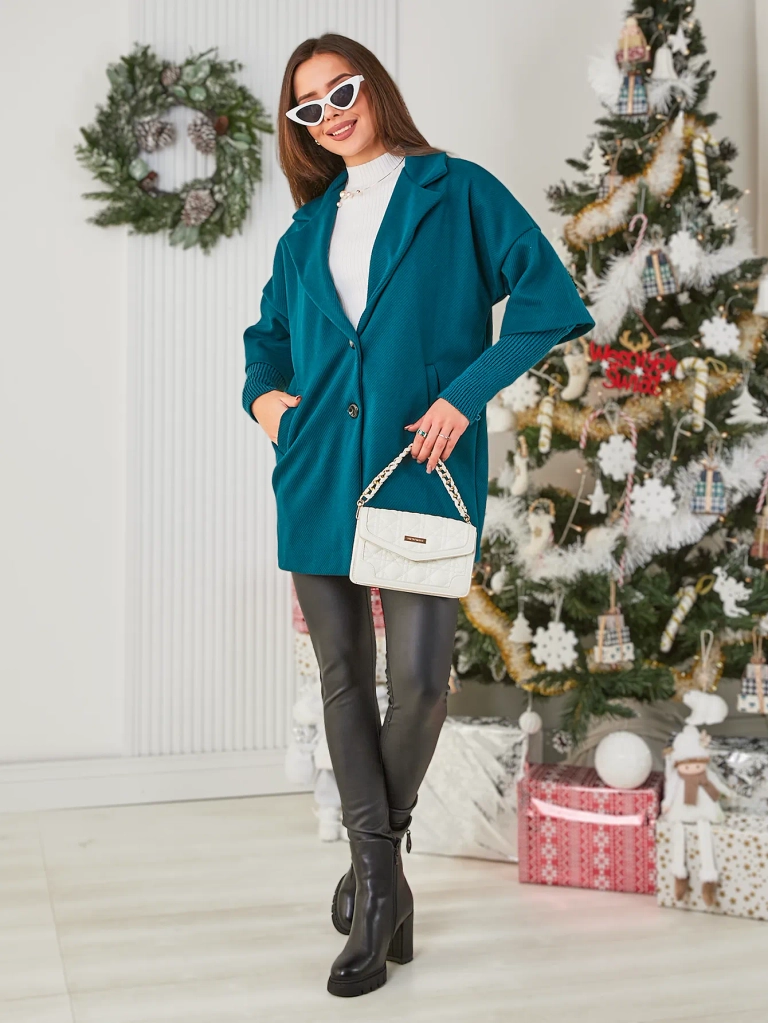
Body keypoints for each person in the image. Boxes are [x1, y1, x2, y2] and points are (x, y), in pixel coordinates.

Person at [242, 33, 594, 998]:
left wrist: (462, 396)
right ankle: (381, 900)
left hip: (418, 472)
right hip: (317, 472)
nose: (329, 114)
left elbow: (550, 299)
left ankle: (373, 875)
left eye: (341, 90)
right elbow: (267, 340)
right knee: (344, 682)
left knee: (424, 686)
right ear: (299, 126)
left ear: (374, 86)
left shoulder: (456, 190)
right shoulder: (305, 233)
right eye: (308, 106)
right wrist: (266, 402)